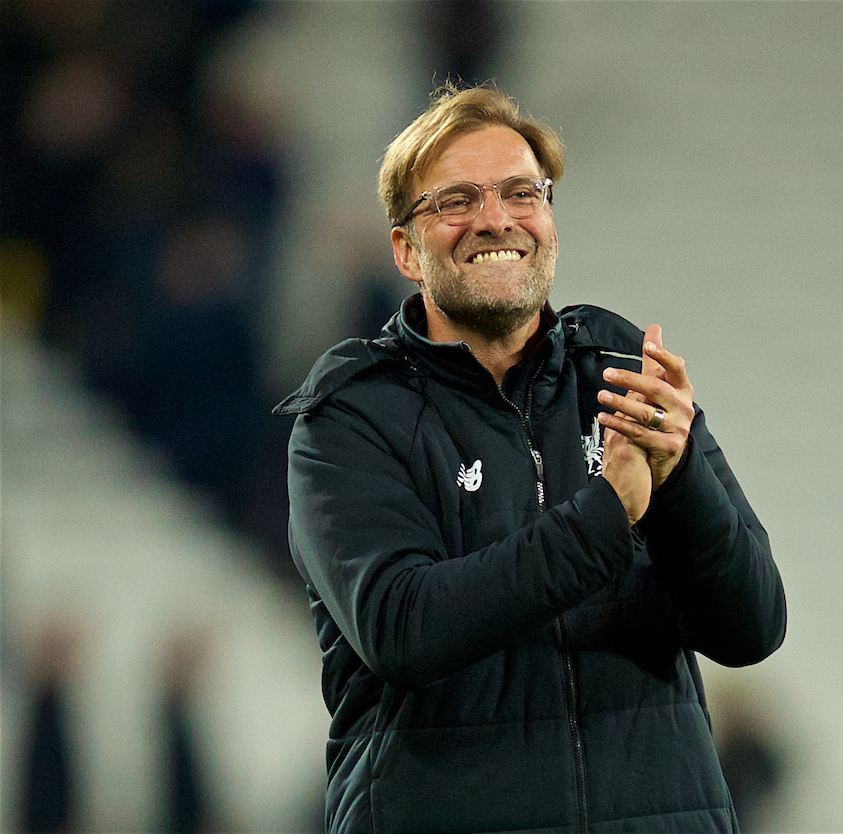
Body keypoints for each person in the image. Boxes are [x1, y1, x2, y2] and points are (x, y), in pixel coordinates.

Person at [276, 83, 786, 834]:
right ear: (405, 250)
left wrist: (679, 478)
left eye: (522, 192)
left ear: (548, 219)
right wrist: (607, 514)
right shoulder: (352, 415)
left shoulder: (618, 370)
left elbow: (753, 626)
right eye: (457, 201)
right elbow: (404, 627)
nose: (496, 218)